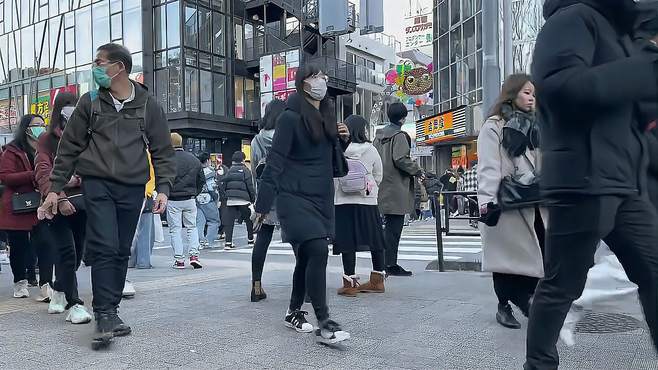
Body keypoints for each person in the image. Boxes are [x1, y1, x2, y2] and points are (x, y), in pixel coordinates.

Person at [526, 1, 658, 368]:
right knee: (561, 285)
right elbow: (560, 88)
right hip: (583, 181)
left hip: (626, 185)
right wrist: (643, 67)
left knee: (655, 273)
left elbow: (634, 116)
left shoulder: (621, 33)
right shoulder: (572, 19)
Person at [39, 43, 176, 350]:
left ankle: (111, 311)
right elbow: (68, 149)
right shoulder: (90, 103)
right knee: (104, 246)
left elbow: (163, 151)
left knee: (121, 250)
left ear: (119, 68)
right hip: (97, 184)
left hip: (132, 187)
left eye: (100, 63)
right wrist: (54, 189)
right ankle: (103, 314)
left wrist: (164, 188)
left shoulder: (147, 105)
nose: (95, 68)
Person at [254, 64, 351, 344]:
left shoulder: (325, 116)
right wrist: (262, 207)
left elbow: (333, 166)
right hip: (292, 197)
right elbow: (275, 163)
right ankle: (325, 322)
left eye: (322, 75)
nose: (321, 80)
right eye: (314, 76)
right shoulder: (289, 118)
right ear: (302, 84)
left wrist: (339, 141)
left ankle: (293, 311)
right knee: (317, 249)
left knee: (307, 256)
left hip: (320, 197)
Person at [477, 74, 545, 330]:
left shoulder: (537, 125)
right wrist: (487, 200)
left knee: (538, 251)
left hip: (535, 199)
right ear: (512, 93)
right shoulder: (494, 125)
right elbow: (488, 166)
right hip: (507, 200)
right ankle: (504, 305)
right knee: (507, 259)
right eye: (527, 92)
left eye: (534, 94)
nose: (531, 98)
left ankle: (529, 299)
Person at [33, 93, 92, 323]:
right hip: (55, 205)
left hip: (82, 205)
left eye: (75, 105)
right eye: (68, 105)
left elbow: (88, 172)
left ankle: (58, 291)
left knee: (76, 255)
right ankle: (74, 304)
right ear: (59, 110)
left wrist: (75, 180)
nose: (72, 109)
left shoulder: (85, 137)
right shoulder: (47, 140)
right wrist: (61, 197)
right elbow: (44, 174)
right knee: (67, 254)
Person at [333, 115, 387, 296]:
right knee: (375, 239)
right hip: (367, 201)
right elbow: (379, 175)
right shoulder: (370, 150)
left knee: (347, 241)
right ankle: (377, 281)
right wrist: (370, 189)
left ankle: (350, 284)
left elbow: (332, 174)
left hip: (342, 201)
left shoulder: (339, 149)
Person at [374, 102, 423, 277]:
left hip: (382, 185)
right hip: (397, 187)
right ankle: (390, 264)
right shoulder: (399, 136)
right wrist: (417, 170)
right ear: (403, 118)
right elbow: (401, 159)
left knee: (388, 228)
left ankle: (384, 263)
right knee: (394, 229)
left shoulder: (378, 137)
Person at [0, 114, 45, 298]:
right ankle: (20, 282)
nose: (41, 128)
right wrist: (33, 174)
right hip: (18, 203)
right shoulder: (12, 150)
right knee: (19, 245)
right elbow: (6, 177)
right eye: (36, 125)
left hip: (41, 202)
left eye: (43, 124)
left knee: (43, 243)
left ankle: (44, 280)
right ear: (26, 128)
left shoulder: (47, 148)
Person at [250, 99, 286, 302]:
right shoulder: (287, 137)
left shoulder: (256, 140)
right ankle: (306, 289)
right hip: (287, 194)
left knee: (262, 240)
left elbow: (255, 172)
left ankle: (256, 286)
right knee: (299, 242)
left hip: (266, 195)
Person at [167, 133, 204, 269]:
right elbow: (201, 180)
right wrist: (194, 193)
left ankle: (179, 260)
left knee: (175, 230)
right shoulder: (194, 159)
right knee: (192, 227)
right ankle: (194, 255)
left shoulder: (167, 159)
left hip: (173, 199)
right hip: (190, 199)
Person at [221, 151, 256, 250]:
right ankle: (250, 240)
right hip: (244, 200)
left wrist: (226, 196)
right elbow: (250, 186)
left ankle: (228, 243)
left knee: (229, 222)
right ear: (243, 160)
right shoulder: (245, 170)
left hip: (231, 200)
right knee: (249, 220)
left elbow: (223, 184)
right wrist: (252, 199)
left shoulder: (229, 170)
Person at [196, 152, 221, 249]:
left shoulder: (196, 170)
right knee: (214, 221)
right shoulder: (210, 172)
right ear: (207, 161)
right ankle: (208, 241)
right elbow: (212, 188)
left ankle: (200, 241)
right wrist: (216, 198)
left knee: (200, 221)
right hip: (208, 198)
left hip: (197, 198)